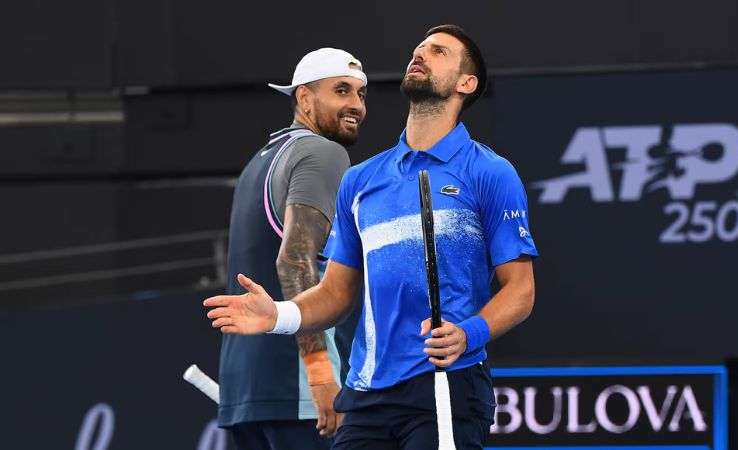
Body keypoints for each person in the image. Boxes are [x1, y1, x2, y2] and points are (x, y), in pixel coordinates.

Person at [206, 25, 537, 450]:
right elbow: (337, 293)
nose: (419, 55)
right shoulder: (360, 180)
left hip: (443, 384)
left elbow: (521, 290)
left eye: (437, 52)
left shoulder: (490, 172)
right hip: (365, 392)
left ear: (465, 84)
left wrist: (469, 333)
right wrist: (280, 316)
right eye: (418, 49)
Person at [217, 48, 367, 449]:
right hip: (303, 395)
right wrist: (319, 375)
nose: (356, 104)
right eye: (341, 90)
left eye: (360, 94)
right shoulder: (323, 152)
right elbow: (294, 259)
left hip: (247, 392)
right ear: (304, 98)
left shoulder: (259, 161)